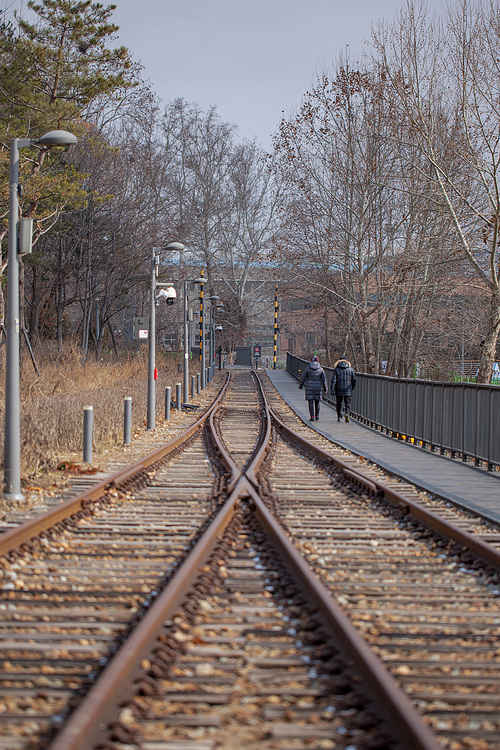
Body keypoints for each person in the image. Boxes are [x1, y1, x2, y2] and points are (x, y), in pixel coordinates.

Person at [299, 356, 328, 421]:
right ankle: (317, 416)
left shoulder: (308, 368)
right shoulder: (321, 369)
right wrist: (325, 388)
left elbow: (303, 378)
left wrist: (300, 386)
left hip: (309, 387)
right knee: (317, 402)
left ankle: (312, 416)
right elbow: (324, 379)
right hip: (318, 387)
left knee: (310, 402)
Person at [330, 355, 356, 422]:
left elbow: (334, 380)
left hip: (338, 388)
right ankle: (347, 413)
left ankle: (339, 416)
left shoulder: (336, 369)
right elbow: (354, 379)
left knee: (339, 403)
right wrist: (352, 387)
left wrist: (332, 389)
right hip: (348, 388)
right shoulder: (350, 369)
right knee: (347, 403)